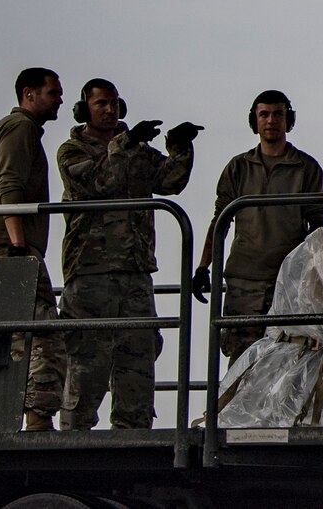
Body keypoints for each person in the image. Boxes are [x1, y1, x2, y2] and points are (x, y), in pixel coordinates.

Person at [54, 79, 201, 429]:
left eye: (115, 103)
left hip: (135, 271)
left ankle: (133, 438)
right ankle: (73, 445)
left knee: (137, 358)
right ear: (84, 109)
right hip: (90, 273)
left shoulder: (135, 149)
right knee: (87, 364)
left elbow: (170, 181)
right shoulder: (72, 151)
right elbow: (100, 182)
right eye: (101, 103)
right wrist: (126, 141)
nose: (109, 109)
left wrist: (179, 147)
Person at [190, 90, 323, 361]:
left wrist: (318, 279)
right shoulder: (238, 167)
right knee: (241, 361)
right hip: (244, 281)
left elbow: (318, 229)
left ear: (289, 120)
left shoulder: (306, 167)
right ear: (254, 121)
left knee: (289, 359)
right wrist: (204, 267)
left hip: (289, 281)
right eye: (264, 114)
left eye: (278, 114)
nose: (271, 120)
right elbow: (220, 222)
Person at [0, 67, 67, 431]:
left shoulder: (15, 130)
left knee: (13, 338)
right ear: (29, 93)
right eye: (53, 92)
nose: (60, 99)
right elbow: (9, 184)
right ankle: (38, 421)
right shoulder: (20, 128)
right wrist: (19, 246)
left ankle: (7, 419)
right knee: (44, 338)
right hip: (7, 249)